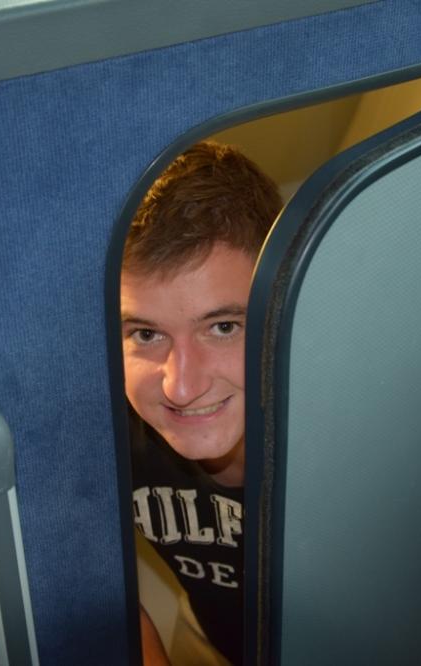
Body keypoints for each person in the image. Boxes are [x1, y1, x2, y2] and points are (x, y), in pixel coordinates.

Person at [121, 141, 282, 665]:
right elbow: (94, 595)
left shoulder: (361, 432)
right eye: (147, 334)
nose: (181, 387)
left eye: (223, 327)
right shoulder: (103, 441)